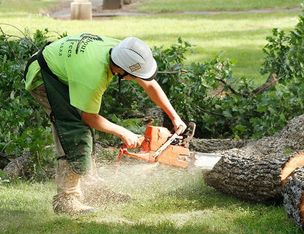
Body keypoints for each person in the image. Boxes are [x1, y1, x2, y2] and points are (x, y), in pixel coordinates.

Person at [24, 33, 187, 215]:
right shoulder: (93, 75)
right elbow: (89, 118)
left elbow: (148, 83)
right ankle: (67, 199)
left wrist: (174, 116)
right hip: (43, 75)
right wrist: (123, 132)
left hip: (63, 65)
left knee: (82, 130)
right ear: (120, 70)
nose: (134, 79)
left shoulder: (121, 52)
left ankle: (93, 190)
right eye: (132, 76)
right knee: (74, 132)